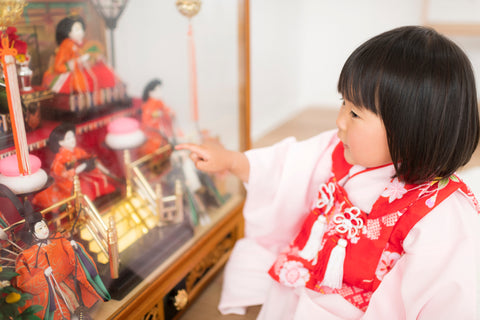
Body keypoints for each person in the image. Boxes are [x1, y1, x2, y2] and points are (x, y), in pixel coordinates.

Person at [176, 26, 480, 319]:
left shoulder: (439, 215)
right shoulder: (341, 150)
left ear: (411, 128)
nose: (340, 121)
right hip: (310, 284)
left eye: (355, 113)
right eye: (342, 103)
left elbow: (451, 297)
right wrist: (232, 162)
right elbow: (288, 166)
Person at [14, 204, 110, 319]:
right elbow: (23, 283)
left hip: (69, 281)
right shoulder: (26, 256)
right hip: (50, 292)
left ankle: (82, 315)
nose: (44, 230)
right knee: (62, 310)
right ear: (32, 234)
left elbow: (69, 250)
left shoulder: (57, 239)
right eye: (40, 228)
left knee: (76, 301)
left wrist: (74, 247)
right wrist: (43, 276)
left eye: (45, 226)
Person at [33, 123, 116, 208]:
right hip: (65, 185)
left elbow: (89, 157)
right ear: (61, 142)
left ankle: (102, 198)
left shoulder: (76, 151)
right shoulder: (60, 158)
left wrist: (106, 171)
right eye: (68, 138)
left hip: (79, 177)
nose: (72, 140)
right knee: (84, 187)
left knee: (97, 177)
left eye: (72, 137)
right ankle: (85, 207)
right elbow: (62, 174)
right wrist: (83, 166)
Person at [42, 15, 117, 95]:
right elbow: (58, 67)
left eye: (81, 29)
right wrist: (78, 61)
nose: (81, 31)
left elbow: (92, 55)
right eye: (77, 29)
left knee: (103, 70)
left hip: (86, 68)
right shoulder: (66, 45)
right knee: (82, 78)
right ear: (69, 32)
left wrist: (96, 57)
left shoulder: (85, 42)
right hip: (72, 72)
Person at [140, 79, 176, 155]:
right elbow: (146, 122)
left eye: (160, 89)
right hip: (154, 132)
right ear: (150, 92)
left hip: (163, 128)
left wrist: (169, 112)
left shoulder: (159, 102)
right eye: (157, 90)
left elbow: (165, 109)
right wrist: (158, 118)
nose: (160, 92)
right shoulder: (148, 106)